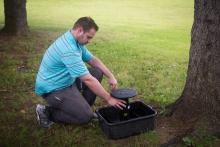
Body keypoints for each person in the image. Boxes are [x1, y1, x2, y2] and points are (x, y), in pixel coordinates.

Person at [35, 16, 126, 128]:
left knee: (96, 72)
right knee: (85, 117)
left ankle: (80, 107)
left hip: (67, 81)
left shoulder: (75, 41)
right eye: (88, 37)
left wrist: (110, 76)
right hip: (53, 89)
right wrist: (109, 98)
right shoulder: (68, 49)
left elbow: (92, 60)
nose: (89, 41)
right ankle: (47, 112)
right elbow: (88, 79)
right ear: (79, 31)